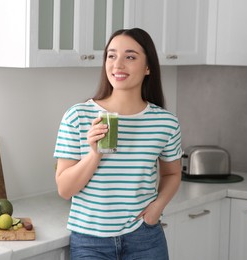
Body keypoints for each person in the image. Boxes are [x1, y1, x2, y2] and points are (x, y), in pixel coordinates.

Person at [54, 28, 182, 259]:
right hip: (90, 241)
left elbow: (172, 174)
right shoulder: (78, 116)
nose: (118, 64)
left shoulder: (165, 122)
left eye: (130, 57)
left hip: (145, 238)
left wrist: (156, 209)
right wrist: (94, 154)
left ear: (148, 67)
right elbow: (65, 189)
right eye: (111, 56)